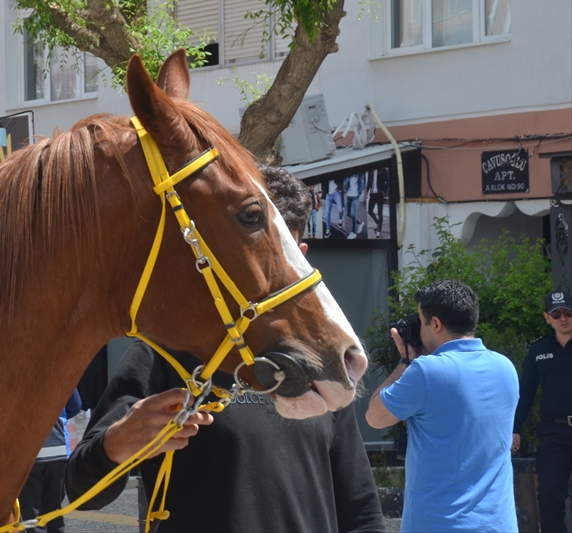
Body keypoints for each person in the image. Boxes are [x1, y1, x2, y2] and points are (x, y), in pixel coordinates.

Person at [66, 166, 383, 533]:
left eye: (275, 257)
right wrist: (117, 443)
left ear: (300, 257)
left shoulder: (319, 364)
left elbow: (360, 510)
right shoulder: (166, 355)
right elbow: (81, 492)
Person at [366, 279, 518, 532]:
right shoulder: (505, 367)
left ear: (435, 324)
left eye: (419, 320)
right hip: (499, 523)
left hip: (440, 524)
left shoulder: (426, 372)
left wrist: (405, 361)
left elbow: (375, 416)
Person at [513, 290, 572, 533]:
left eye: (568, 312)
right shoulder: (538, 351)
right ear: (547, 317)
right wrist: (514, 429)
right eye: (556, 313)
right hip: (553, 434)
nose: (563, 318)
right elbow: (525, 394)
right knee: (549, 496)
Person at [20, 390, 82, 532]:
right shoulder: (61, 371)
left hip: (29, 452)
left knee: (32, 511)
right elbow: (76, 406)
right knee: (54, 508)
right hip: (58, 449)